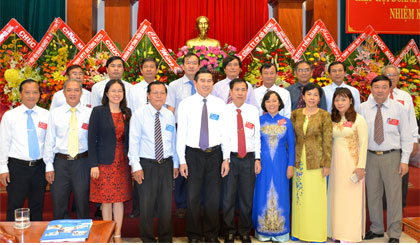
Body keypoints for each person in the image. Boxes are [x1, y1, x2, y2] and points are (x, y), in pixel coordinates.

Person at [177, 69, 229, 243]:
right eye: (202, 81)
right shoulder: (186, 104)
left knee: (213, 197)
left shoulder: (220, 104)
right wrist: (182, 160)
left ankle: (212, 235)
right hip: (193, 155)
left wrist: (226, 158)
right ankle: (193, 235)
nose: (206, 84)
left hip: (214, 155)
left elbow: (225, 133)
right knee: (193, 197)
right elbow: (181, 134)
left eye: (209, 81)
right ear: (195, 83)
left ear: (213, 83)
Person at [359, 75, 412, 243]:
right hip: (370, 156)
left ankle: (394, 232)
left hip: (392, 156)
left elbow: (406, 136)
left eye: (384, 87)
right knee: (373, 194)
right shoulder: (362, 108)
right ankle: (376, 228)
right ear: (371, 89)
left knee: (393, 195)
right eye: (377, 87)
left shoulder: (399, 109)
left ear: (390, 89)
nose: (380, 90)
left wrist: (404, 160)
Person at [129, 81, 179, 243]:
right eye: (155, 93)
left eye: (162, 93)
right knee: (147, 205)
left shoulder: (169, 115)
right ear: (148, 95)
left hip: (166, 164)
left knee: (166, 205)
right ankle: (148, 239)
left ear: (166, 96)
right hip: (146, 164)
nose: (159, 96)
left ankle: (166, 238)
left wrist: (176, 164)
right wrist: (135, 166)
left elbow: (173, 141)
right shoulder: (139, 114)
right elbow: (133, 142)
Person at [368, 65, 419, 209]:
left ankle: (399, 206)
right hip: (379, 145)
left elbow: (411, 120)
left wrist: (414, 140)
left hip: (400, 143)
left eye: (394, 75)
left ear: (398, 78)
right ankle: (383, 207)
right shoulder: (373, 96)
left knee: (400, 177)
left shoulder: (405, 96)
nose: (392, 78)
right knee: (379, 180)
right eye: (388, 75)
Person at [88, 79, 132, 242]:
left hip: (122, 161)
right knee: (106, 200)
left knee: (119, 199)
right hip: (104, 162)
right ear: (106, 93)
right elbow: (91, 140)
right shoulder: (98, 111)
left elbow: (129, 139)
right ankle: (108, 234)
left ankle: (118, 234)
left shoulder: (127, 112)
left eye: (119, 91)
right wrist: (93, 164)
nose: (116, 94)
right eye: (113, 91)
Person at [0, 79, 49, 221]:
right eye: (27, 92)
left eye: (35, 92)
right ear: (20, 94)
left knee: (37, 206)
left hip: (39, 167)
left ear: (40, 94)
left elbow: (49, 142)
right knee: (14, 205)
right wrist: (3, 168)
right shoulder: (10, 116)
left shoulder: (46, 115)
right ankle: (12, 241)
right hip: (17, 167)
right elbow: (3, 142)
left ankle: (34, 241)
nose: (31, 96)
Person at [43, 79, 92, 219]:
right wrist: (49, 166)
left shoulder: (89, 113)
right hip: (60, 163)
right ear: (64, 93)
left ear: (81, 93)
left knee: (83, 203)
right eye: (69, 90)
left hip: (82, 162)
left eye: (76, 90)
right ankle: (61, 237)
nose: (73, 93)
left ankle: (83, 237)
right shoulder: (55, 113)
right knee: (59, 203)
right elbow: (49, 140)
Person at [290, 83, 332, 242]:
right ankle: (298, 232)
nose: (312, 98)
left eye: (315, 95)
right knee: (300, 198)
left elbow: (328, 140)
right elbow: (291, 139)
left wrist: (327, 164)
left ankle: (315, 233)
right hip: (299, 162)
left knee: (315, 199)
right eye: (309, 94)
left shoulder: (324, 115)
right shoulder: (295, 114)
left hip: (317, 162)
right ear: (303, 96)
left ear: (319, 98)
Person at [252, 90, 295, 242]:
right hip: (262, 165)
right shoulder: (258, 121)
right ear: (264, 103)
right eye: (268, 101)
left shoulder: (286, 121)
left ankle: (281, 232)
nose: (271, 103)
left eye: (274, 101)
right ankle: (263, 232)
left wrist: (291, 166)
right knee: (262, 194)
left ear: (280, 103)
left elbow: (292, 145)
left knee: (281, 193)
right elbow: (254, 143)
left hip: (281, 165)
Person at [222, 78, 261, 243]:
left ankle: (245, 231)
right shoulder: (224, 110)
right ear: (230, 92)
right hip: (230, 158)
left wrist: (257, 158)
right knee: (228, 198)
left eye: (243, 89)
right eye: (236, 89)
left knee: (246, 198)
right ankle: (229, 231)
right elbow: (223, 137)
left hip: (249, 159)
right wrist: (224, 159)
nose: (240, 93)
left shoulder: (253, 111)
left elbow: (257, 135)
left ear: (247, 92)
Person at [328, 88, 368, 242]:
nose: (340, 103)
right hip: (335, 164)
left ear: (351, 101)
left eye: (343, 99)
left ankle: (350, 234)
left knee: (351, 199)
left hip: (352, 163)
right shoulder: (333, 119)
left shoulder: (359, 119)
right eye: (337, 100)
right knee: (337, 198)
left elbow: (363, 144)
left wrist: (361, 167)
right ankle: (337, 232)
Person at [167, 52, 200, 218]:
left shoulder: (206, 83)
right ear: (183, 65)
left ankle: (198, 202)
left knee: (198, 166)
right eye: (188, 62)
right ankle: (181, 203)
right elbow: (170, 110)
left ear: (199, 66)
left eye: (195, 63)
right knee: (181, 163)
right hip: (181, 129)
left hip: (201, 130)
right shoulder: (174, 85)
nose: (192, 66)